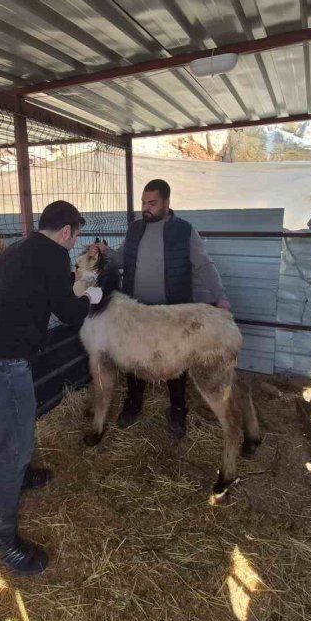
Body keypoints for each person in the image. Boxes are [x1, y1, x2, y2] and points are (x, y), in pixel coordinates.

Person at [0, 200, 102, 575]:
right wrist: (92, 297)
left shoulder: (22, 248)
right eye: (76, 237)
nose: (74, 245)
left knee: (14, 431)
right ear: (67, 231)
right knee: (15, 445)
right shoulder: (52, 254)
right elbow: (69, 313)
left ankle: (19, 477)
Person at [92, 179, 230, 439]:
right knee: (135, 359)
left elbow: (204, 266)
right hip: (137, 311)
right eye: (143, 202)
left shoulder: (184, 231)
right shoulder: (135, 230)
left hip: (171, 311)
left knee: (175, 361)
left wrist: (220, 298)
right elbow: (121, 259)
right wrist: (105, 252)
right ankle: (133, 404)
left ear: (167, 202)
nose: (146, 208)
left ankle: (178, 410)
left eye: (152, 203)